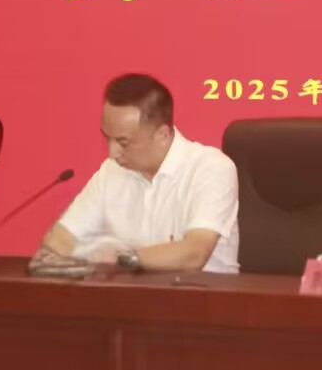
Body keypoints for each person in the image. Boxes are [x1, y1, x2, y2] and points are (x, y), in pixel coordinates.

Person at [32, 73, 239, 273]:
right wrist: (52, 254)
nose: (112, 153)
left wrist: (121, 258)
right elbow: (64, 237)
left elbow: (194, 254)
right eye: (107, 138)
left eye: (123, 142)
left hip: (203, 293)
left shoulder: (211, 168)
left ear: (162, 135)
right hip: (128, 293)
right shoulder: (111, 171)